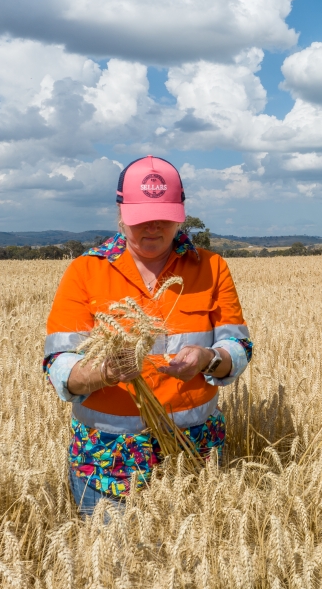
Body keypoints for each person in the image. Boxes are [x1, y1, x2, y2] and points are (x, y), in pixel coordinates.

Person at [42, 155, 252, 515]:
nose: (153, 227)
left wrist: (210, 359)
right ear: (121, 212)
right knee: (112, 568)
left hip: (194, 451)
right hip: (108, 458)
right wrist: (102, 373)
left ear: (180, 211)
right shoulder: (85, 271)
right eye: (141, 218)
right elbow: (58, 362)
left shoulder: (212, 267)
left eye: (165, 217)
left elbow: (239, 345)